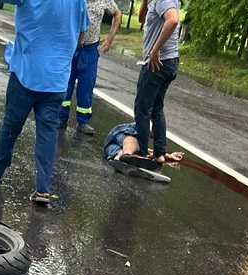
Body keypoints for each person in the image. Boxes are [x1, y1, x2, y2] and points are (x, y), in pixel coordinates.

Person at [0, 0, 89, 205]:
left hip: (26, 72)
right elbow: (81, 32)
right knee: (48, 133)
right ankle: (43, 189)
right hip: (57, 78)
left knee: (11, 125)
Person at [58, 0, 122, 135]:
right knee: (66, 83)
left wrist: (110, 38)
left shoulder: (104, 1)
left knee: (86, 85)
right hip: (72, 46)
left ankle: (83, 121)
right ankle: (60, 117)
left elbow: (117, 14)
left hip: (90, 49)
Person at [132, 0, 180, 163]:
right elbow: (141, 18)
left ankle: (142, 154)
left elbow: (173, 20)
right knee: (156, 108)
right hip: (169, 62)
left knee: (142, 109)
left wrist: (155, 50)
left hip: (158, 63)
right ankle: (159, 154)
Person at [103, 121, 183, 173]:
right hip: (120, 132)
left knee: (120, 153)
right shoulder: (135, 129)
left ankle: (119, 161)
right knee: (133, 142)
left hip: (109, 145)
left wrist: (169, 155)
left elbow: (150, 151)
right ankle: (126, 156)